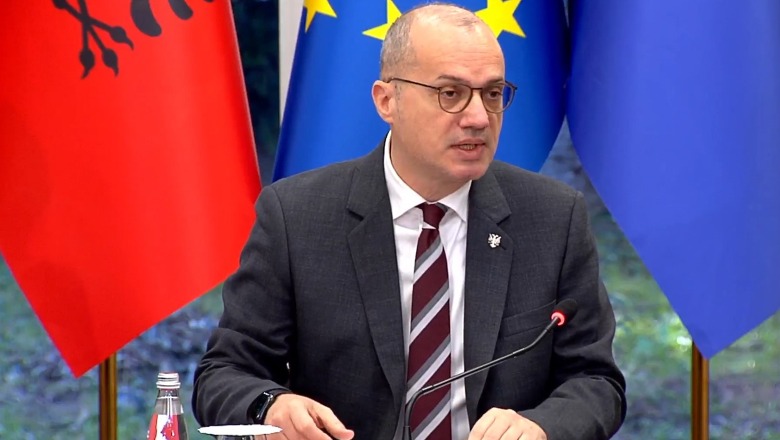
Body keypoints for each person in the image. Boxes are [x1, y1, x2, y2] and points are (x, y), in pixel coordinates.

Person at [193, 3, 626, 440]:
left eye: (493, 94)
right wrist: (272, 404)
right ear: (387, 100)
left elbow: (596, 381)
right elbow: (225, 373)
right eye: (451, 93)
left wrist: (542, 427)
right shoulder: (298, 215)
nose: (479, 117)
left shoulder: (552, 218)